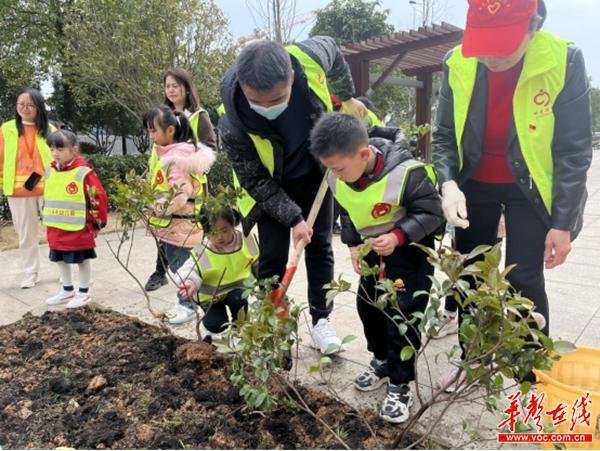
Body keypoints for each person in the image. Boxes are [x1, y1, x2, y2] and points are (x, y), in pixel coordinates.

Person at [432, 0, 592, 389]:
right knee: (470, 276)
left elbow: (574, 151)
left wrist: (563, 224)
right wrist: (448, 181)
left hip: (530, 189)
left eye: (501, 45)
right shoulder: (458, 61)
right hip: (475, 185)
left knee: (525, 280)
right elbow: (443, 138)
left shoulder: (564, 60)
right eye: (482, 44)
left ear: (532, 26)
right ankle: (471, 362)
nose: (489, 56)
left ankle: (531, 371)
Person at [218, 37, 369, 353]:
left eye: (276, 99)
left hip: (316, 175)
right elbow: (255, 180)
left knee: (320, 246)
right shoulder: (231, 121)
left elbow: (335, 52)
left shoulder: (311, 56)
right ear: (243, 86)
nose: (268, 108)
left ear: (292, 77)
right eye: (258, 102)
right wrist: (293, 217)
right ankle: (275, 324)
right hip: (270, 189)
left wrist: (347, 96)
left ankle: (321, 321)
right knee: (272, 257)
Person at [310, 113, 445, 423]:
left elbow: (432, 213)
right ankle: (381, 361)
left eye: (340, 168)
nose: (336, 175)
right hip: (373, 256)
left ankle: (400, 383)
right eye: (330, 168)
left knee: (402, 316)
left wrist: (399, 235)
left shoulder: (408, 174)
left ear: (364, 154)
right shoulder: (337, 174)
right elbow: (347, 209)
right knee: (368, 308)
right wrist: (353, 244)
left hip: (408, 256)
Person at [144, 68, 217, 292]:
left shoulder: (198, 116)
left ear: (186, 87)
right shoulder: (161, 115)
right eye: (168, 86)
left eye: (176, 85)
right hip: (162, 184)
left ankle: (200, 277)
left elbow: (211, 149)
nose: (171, 90)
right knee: (167, 233)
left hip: (186, 188)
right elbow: (155, 154)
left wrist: (187, 160)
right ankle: (163, 272)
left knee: (189, 235)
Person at [43, 129, 108, 307]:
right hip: (56, 227)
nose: (55, 153)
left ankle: (84, 292)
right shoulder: (50, 171)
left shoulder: (83, 172)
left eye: (60, 149)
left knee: (82, 260)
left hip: (79, 228)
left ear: (74, 150)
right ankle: (67, 289)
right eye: (52, 149)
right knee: (60, 259)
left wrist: (98, 223)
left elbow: (98, 197)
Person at [176, 206, 259, 341]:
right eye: (213, 233)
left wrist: (266, 286)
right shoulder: (203, 250)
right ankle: (211, 328)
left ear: (233, 225)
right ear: (206, 232)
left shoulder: (247, 240)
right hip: (212, 297)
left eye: (224, 230)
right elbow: (190, 268)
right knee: (216, 325)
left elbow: (258, 264)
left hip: (238, 290)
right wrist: (189, 281)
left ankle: (239, 332)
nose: (219, 237)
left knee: (240, 308)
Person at [0, 87, 55, 288]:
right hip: (18, 191)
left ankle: (65, 270)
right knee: (26, 234)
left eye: (30, 104)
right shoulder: (6, 129)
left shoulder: (51, 130)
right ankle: (30, 273)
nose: (24, 108)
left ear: (39, 108)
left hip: (49, 189)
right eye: (20, 104)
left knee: (57, 230)